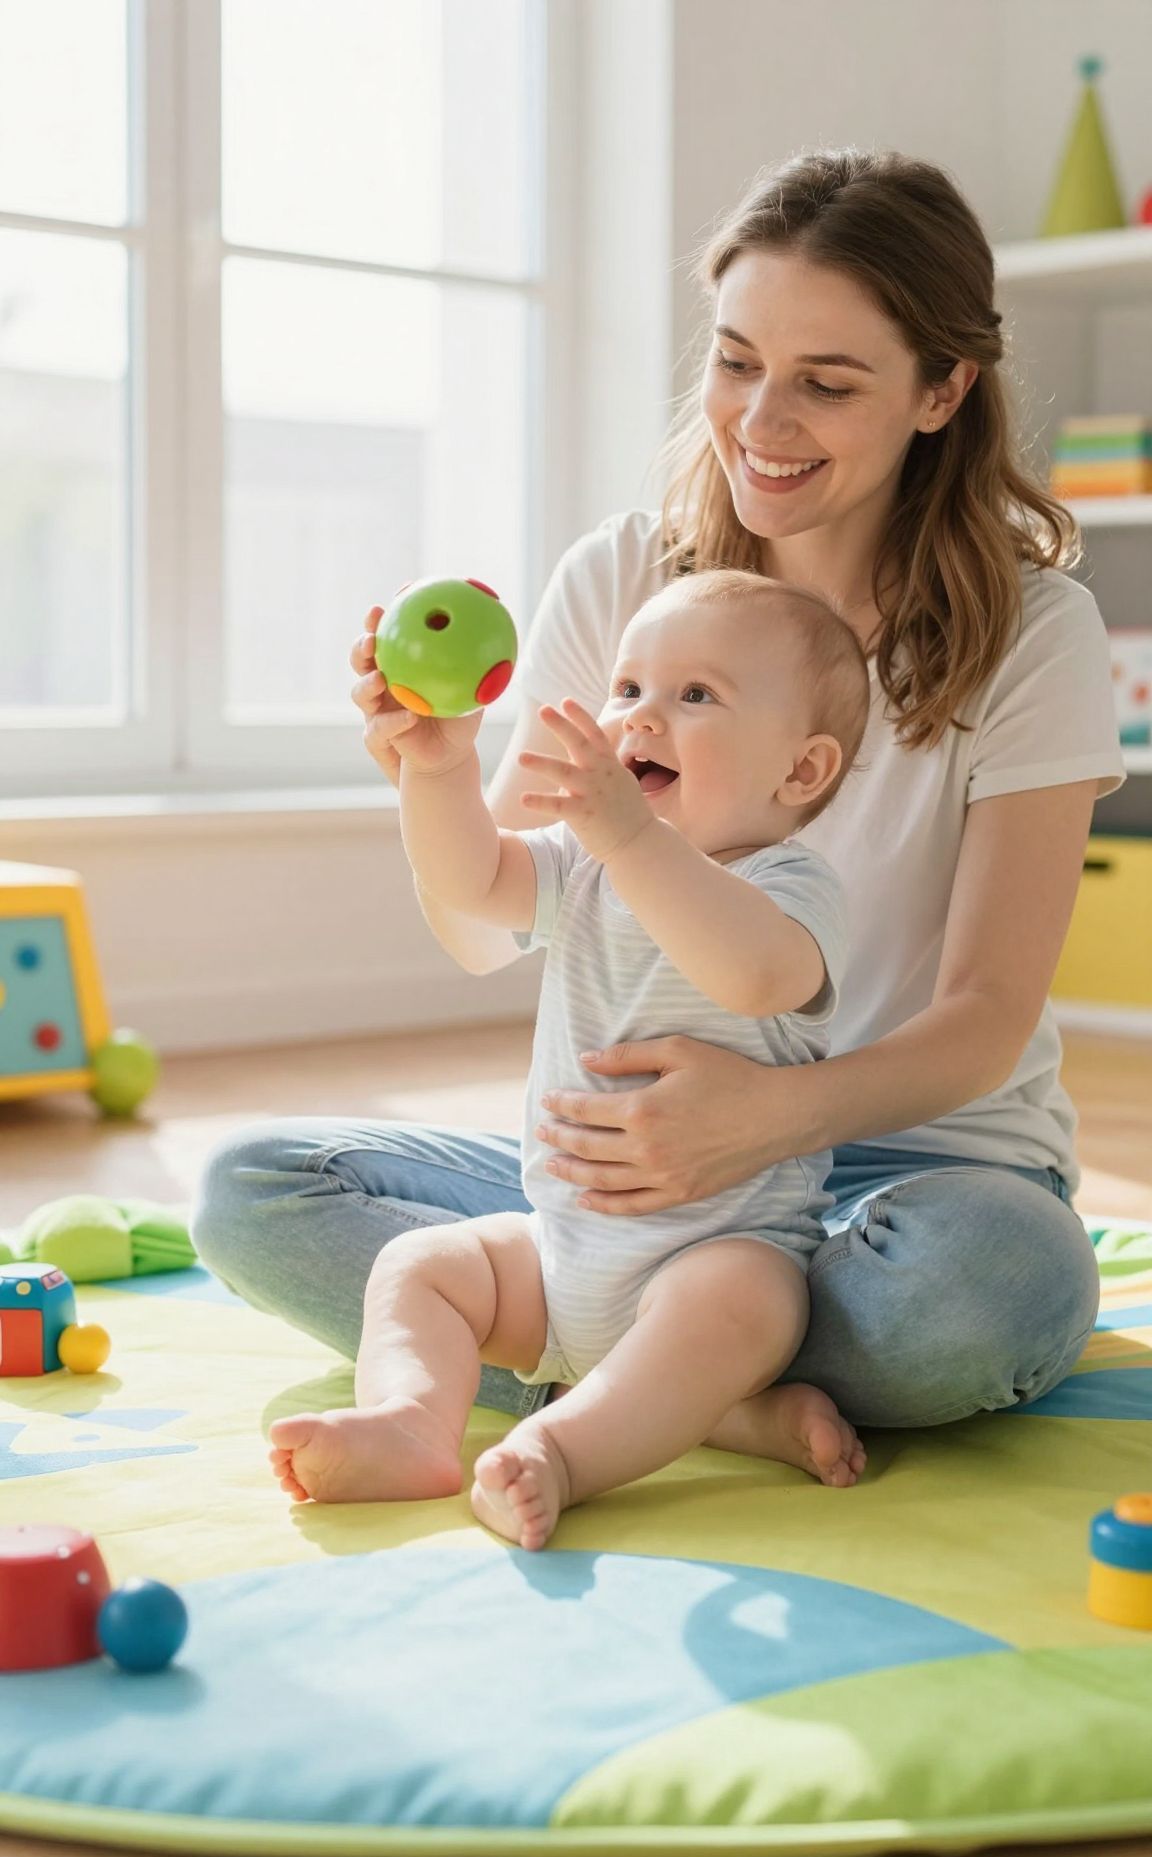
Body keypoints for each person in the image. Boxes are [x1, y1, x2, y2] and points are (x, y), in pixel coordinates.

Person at [192, 146, 1124, 1459]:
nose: (760, 420)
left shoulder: (1032, 630)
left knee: (986, 1299)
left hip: (913, 1173)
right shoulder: (629, 578)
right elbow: (486, 924)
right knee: (257, 1193)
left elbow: (982, 1023)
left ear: (942, 390)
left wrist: (763, 1118)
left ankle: (614, 1365)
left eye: (826, 382)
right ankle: (714, 1393)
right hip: (623, 1182)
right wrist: (434, 770)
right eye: (738, 361)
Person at [268, 571, 871, 1545]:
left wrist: (629, 833)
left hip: (712, 1249)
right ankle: (410, 1421)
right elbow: (474, 879)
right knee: (423, 1263)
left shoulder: (790, 884)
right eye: (628, 688)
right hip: (559, 1252)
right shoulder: (588, 859)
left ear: (800, 772)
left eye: (696, 695)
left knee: (747, 1304)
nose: (640, 718)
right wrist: (439, 768)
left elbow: (755, 972)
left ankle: (564, 1449)